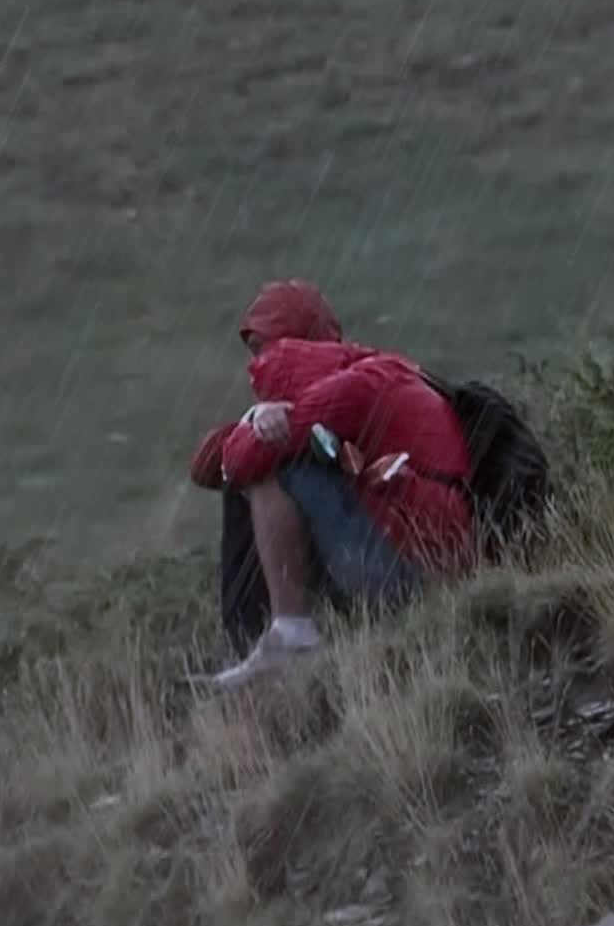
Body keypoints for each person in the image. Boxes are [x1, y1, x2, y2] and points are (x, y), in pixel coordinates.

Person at [188, 280, 479, 688]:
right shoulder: (376, 373)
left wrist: (255, 427)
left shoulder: (353, 388)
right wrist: (256, 421)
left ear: (299, 347)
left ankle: (286, 636)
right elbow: (207, 463)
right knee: (269, 467)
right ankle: (263, 641)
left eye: (267, 352)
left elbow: (237, 463)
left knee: (270, 472)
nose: (258, 367)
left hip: (413, 567)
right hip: (421, 550)